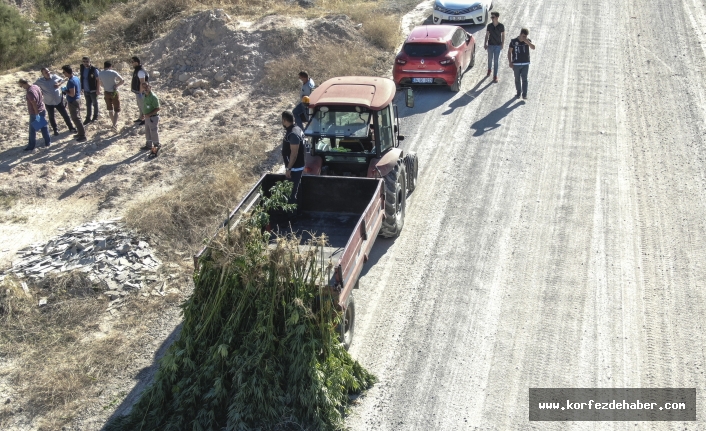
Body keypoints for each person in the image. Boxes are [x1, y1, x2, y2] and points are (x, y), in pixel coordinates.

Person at [35, 67, 75, 136]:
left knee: (65, 115)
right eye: (46, 72)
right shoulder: (39, 81)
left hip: (58, 100)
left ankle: (71, 127)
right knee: (51, 117)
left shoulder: (54, 76)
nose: (48, 73)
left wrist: (59, 84)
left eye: (48, 71)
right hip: (48, 102)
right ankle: (55, 130)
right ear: (42, 74)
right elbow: (34, 87)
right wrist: (39, 92)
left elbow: (64, 79)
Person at [281, 111, 305, 218]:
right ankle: (297, 213)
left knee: (289, 193)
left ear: (285, 120)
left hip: (294, 168)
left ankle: (291, 218)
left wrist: (289, 168)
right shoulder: (297, 129)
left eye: (282, 120)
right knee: (295, 190)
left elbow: (294, 154)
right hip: (296, 167)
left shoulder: (293, 133)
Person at [18, 79, 51, 151]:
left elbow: (34, 103)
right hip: (42, 109)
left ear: (24, 84)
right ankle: (48, 142)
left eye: (21, 86)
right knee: (44, 127)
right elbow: (41, 95)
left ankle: (31, 146)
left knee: (32, 131)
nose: (22, 88)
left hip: (35, 112)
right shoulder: (36, 86)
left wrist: (36, 115)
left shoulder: (29, 92)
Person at [508, 28, 536, 100]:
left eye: (526, 36)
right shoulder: (513, 41)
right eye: (523, 36)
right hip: (516, 64)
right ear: (520, 34)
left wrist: (527, 42)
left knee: (524, 79)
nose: (524, 38)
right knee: (517, 79)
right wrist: (510, 62)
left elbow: (533, 47)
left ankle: (524, 94)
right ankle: (518, 93)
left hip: (525, 63)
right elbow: (509, 52)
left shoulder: (527, 41)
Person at [61, 65, 87, 142]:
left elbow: (72, 94)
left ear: (67, 72)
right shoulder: (76, 78)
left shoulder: (71, 81)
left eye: (64, 72)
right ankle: (80, 133)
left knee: (76, 118)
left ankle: (82, 135)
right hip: (77, 99)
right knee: (77, 117)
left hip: (73, 101)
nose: (63, 73)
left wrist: (65, 91)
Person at [98, 61, 125, 133]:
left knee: (110, 110)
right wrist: (116, 85)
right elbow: (122, 80)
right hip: (114, 92)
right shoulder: (113, 72)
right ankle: (114, 125)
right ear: (111, 66)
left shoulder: (100, 73)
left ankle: (114, 125)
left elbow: (100, 83)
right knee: (116, 110)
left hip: (106, 92)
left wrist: (105, 86)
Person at [484, 11, 505, 83]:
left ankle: (495, 75)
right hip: (490, 45)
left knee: (496, 61)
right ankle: (489, 69)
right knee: (490, 59)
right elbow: (487, 35)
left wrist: (502, 44)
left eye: (493, 17)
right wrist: (485, 43)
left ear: (497, 17)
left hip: (497, 46)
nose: (492, 18)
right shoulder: (489, 26)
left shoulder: (501, 26)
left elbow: (503, 35)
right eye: (491, 17)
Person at [79, 56, 101, 125]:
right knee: (88, 104)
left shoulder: (94, 69)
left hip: (93, 90)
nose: (85, 63)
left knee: (95, 103)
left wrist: (98, 89)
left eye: (87, 61)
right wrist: (81, 88)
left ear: (90, 61)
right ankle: (88, 118)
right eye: (84, 62)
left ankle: (95, 117)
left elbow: (98, 80)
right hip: (86, 90)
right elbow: (82, 78)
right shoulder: (82, 68)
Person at [142, 82, 161, 155]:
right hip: (147, 117)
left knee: (153, 131)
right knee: (147, 131)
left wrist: (149, 114)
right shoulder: (144, 96)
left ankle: (156, 145)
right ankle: (148, 145)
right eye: (144, 87)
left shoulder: (153, 97)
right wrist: (142, 114)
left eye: (146, 87)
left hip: (152, 117)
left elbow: (158, 108)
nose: (145, 88)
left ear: (150, 87)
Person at [130, 56, 149, 126]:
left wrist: (141, 92)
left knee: (143, 106)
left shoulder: (140, 71)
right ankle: (141, 118)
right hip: (138, 92)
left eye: (133, 62)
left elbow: (142, 83)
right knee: (140, 105)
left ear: (136, 62)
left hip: (141, 92)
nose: (132, 63)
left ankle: (145, 119)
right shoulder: (137, 70)